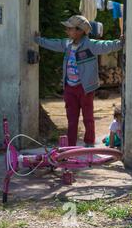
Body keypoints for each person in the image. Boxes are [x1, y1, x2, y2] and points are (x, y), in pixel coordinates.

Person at [34, 15, 124, 147]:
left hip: (85, 88)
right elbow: (54, 43)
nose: (67, 31)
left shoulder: (90, 45)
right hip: (69, 87)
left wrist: (120, 43)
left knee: (88, 117)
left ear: (80, 30)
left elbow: (105, 45)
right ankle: (71, 145)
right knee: (71, 118)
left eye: (70, 29)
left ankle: (89, 143)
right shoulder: (67, 44)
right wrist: (38, 40)